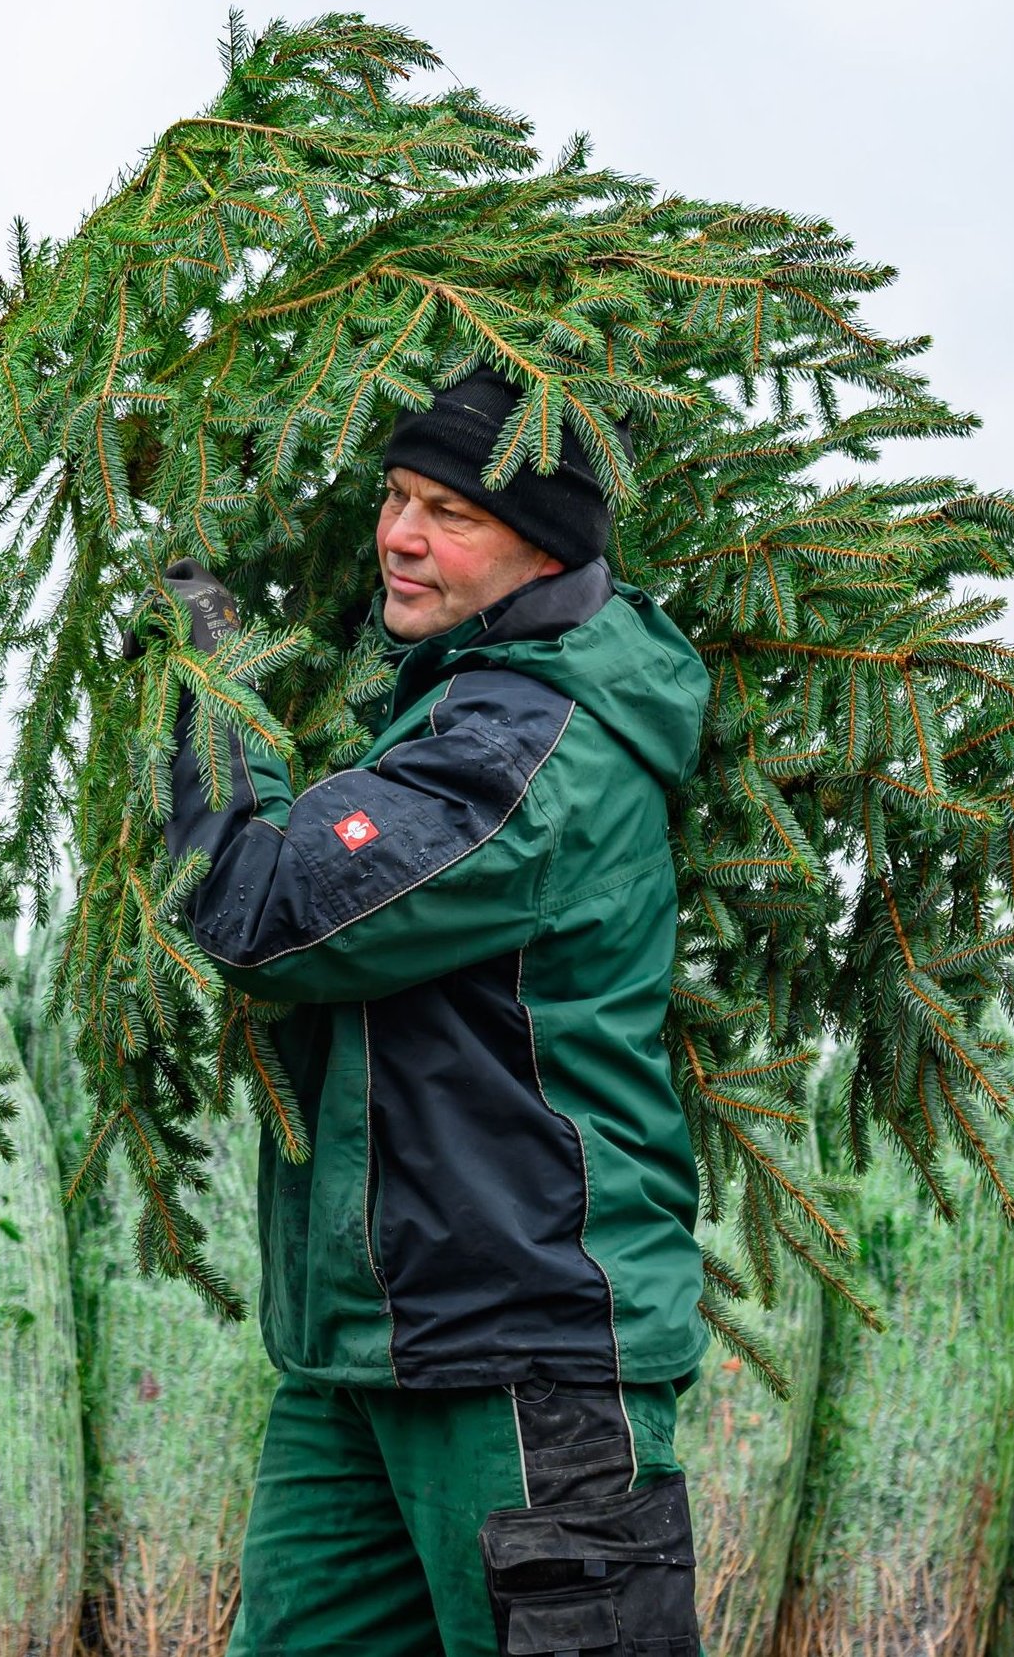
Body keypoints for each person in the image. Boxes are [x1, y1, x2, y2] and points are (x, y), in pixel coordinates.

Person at [161, 366, 713, 1657]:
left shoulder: (529, 746)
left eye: (449, 512)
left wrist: (209, 668)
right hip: (369, 1346)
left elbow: (270, 912)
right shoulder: (455, 695)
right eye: (394, 496)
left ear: (544, 547)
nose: (400, 535)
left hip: (522, 1350)